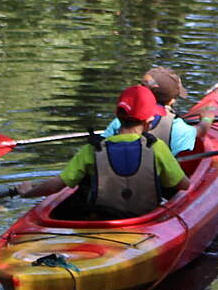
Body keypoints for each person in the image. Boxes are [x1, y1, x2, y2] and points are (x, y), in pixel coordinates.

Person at [17, 85, 190, 219]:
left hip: (100, 219)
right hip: (144, 220)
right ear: (149, 121)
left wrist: (28, 192)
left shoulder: (93, 149)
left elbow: (57, 185)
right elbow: (184, 185)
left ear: (117, 114)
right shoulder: (157, 147)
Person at [102, 66, 198, 155]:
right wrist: (207, 119)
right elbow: (183, 167)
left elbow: (101, 147)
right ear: (171, 100)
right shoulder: (183, 130)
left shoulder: (122, 120)